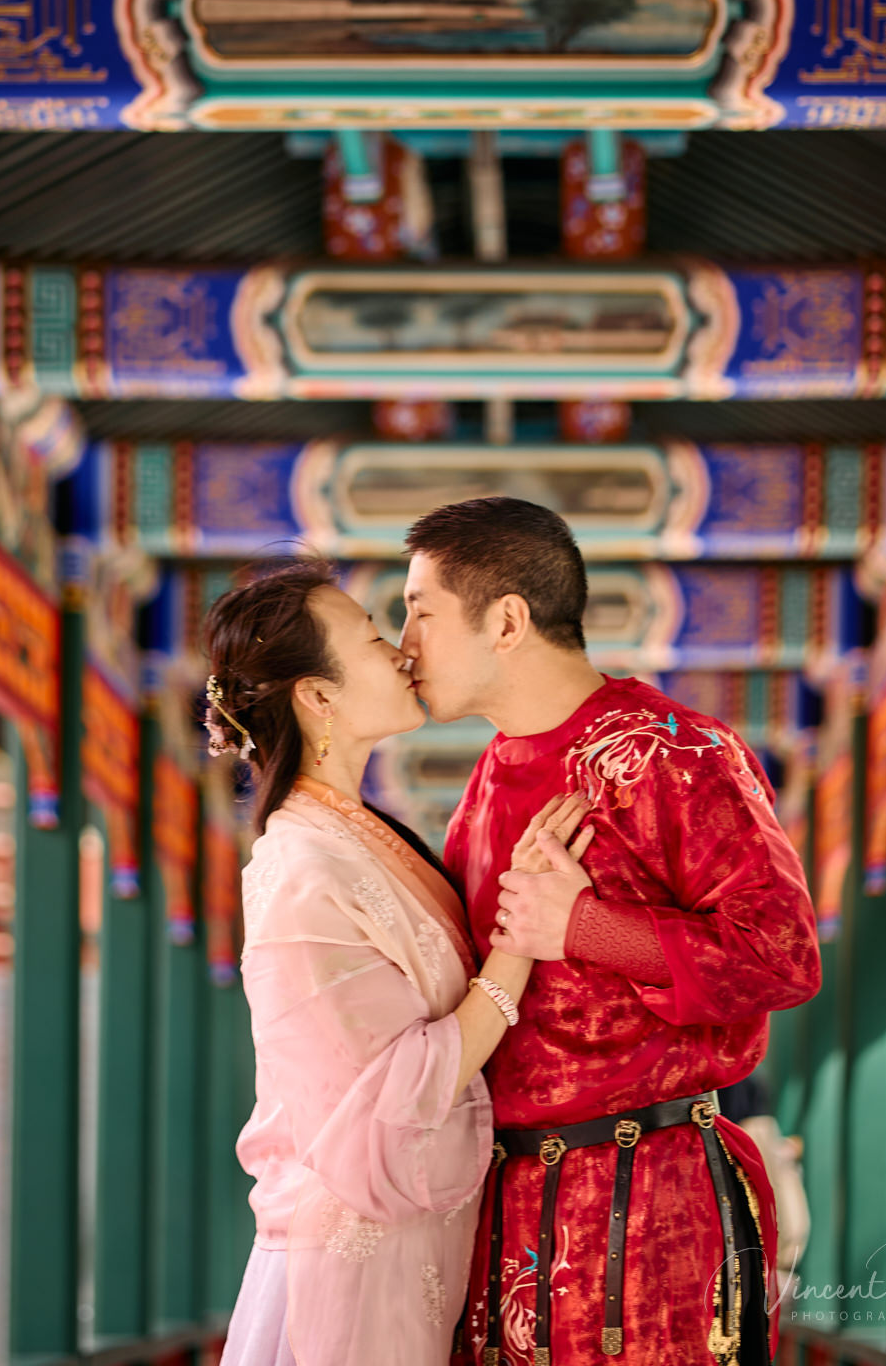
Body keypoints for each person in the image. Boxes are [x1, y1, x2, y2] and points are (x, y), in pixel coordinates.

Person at [401, 497, 822, 1365]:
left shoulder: (679, 753)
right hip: (506, 1216)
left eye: (420, 611)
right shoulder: (485, 781)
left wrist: (587, 927)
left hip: (655, 1209)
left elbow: (783, 957)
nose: (403, 641)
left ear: (507, 620)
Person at [205, 558, 594, 1366]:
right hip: (353, 1261)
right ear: (317, 696)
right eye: (375, 636)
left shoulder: (359, 837)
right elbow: (394, 1089)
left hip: (416, 1242)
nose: (402, 652)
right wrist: (523, 939)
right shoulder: (298, 869)